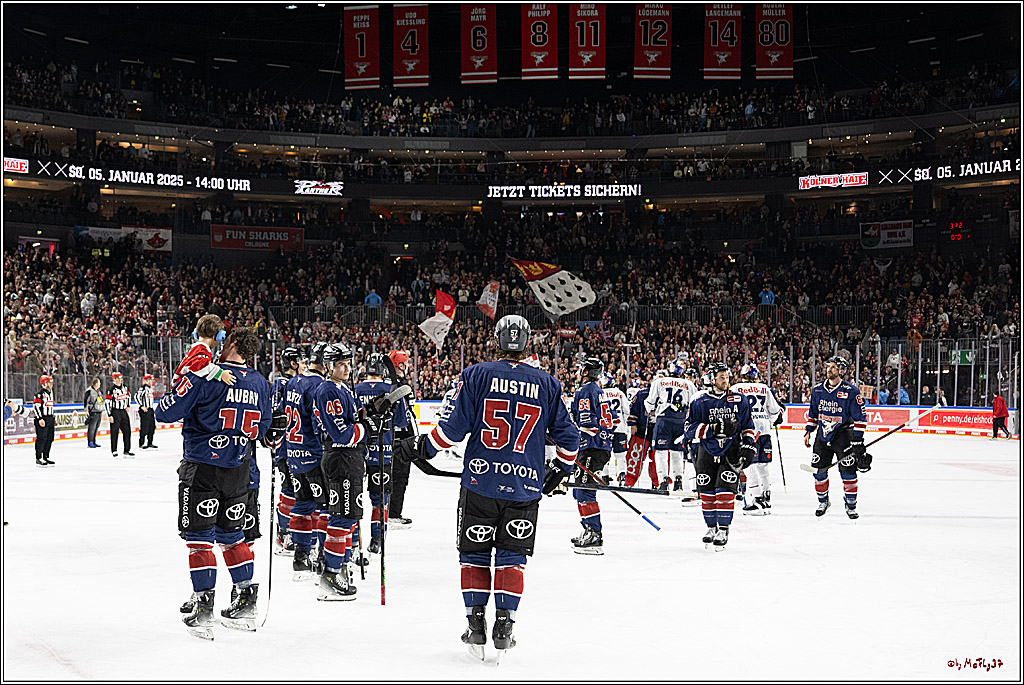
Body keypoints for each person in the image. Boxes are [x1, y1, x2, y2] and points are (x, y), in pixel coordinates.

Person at [394, 314, 580, 660]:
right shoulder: (548, 383)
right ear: (528, 343)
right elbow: (570, 438)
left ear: (496, 340)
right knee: (512, 557)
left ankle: (476, 623)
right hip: (525, 486)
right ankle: (505, 624)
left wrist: (418, 449)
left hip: (481, 483)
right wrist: (561, 467)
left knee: (475, 554)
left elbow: (449, 432)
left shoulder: (476, 374)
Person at [156, 326, 272, 640]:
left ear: (232, 343)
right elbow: (264, 431)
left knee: (199, 538)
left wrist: (184, 379)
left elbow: (166, 412)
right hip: (241, 470)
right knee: (233, 536)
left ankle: (203, 606)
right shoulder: (261, 383)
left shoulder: (208, 375)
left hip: (203, 468)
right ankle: (245, 602)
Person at [313, 342, 383, 600]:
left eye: (348, 363)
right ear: (329, 365)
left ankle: (337, 568)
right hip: (341, 457)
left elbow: (352, 419)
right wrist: (368, 428)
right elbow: (341, 433)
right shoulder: (328, 390)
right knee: (342, 519)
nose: (346, 368)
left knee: (348, 516)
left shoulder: (341, 389)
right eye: (340, 364)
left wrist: (370, 412)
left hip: (349, 458)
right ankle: (330, 576)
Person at [683, 362, 756, 550]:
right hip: (706, 451)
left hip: (731, 450)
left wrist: (749, 445)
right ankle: (710, 527)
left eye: (727, 377)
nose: (726, 380)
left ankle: (723, 529)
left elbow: (748, 425)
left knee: (724, 490)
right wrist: (712, 429)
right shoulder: (699, 401)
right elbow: (688, 429)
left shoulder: (740, 400)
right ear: (712, 379)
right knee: (706, 492)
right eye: (721, 377)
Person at [354, 353, 410, 556]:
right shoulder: (392, 390)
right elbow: (402, 423)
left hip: (358, 452)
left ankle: (352, 543)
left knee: (354, 498)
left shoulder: (354, 390)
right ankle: (377, 539)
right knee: (380, 500)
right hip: (383, 452)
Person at [283, 342, 329, 580]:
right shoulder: (320, 386)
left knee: (301, 504)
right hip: (314, 454)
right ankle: (323, 555)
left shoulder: (293, 382)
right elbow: (320, 423)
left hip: (293, 453)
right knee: (325, 506)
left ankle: (300, 556)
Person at [803, 355, 870, 519]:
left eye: (833, 367)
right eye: (828, 367)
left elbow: (860, 418)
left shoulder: (852, 392)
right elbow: (813, 413)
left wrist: (858, 440)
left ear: (841, 370)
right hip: (822, 436)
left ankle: (851, 505)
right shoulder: (817, 390)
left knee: (848, 472)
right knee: (818, 472)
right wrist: (808, 431)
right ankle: (823, 501)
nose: (829, 369)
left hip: (843, 437)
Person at [569, 357, 614, 555]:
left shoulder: (585, 390)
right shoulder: (597, 390)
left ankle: (595, 533)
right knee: (579, 491)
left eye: (581, 369)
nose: (578, 373)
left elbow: (588, 424)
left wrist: (575, 440)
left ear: (587, 372)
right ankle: (588, 527)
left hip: (592, 446)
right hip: (598, 446)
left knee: (585, 490)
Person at [730, 363, 785, 515]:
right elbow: (775, 412)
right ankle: (766, 496)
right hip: (764, 430)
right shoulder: (764, 388)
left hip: (748, 430)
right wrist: (776, 419)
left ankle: (756, 498)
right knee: (763, 465)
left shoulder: (736, 388)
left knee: (749, 465)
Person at [645, 361, 698, 495]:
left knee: (661, 452)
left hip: (663, 419)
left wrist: (652, 411)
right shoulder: (688, 384)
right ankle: (678, 481)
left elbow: (650, 402)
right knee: (677, 452)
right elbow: (695, 402)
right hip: (680, 420)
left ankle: (663, 482)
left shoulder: (660, 382)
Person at [271, 347, 305, 554]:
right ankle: (283, 532)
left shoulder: (287, 383)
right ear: (292, 364)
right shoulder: (282, 384)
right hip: (286, 448)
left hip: (294, 447)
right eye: (301, 361)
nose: (304, 365)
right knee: (289, 489)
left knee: (296, 490)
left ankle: (289, 530)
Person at [386, 350, 416, 528]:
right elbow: (403, 417)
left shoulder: (393, 383)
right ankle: (393, 514)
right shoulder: (397, 385)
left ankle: (388, 513)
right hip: (399, 437)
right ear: (399, 365)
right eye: (405, 363)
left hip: (393, 437)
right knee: (399, 477)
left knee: (392, 477)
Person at [172, 314, 237, 388]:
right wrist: (220, 373)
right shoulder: (201, 349)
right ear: (217, 336)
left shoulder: (196, 348)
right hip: (182, 393)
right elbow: (199, 365)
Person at [7, 375, 56, 467]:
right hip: (42, 418)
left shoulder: (50, 394)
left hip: (50, 418)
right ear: (44, 383)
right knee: (42, 438)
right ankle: (39, 457)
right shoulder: (39, 395)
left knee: (50, 438)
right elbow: (36, 407)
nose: (51, 384)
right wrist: (40, 418)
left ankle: (46, 456)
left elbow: (50, 407)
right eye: (49, 382)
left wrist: (53, 417)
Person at [599, 372, 630, 485]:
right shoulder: (619, 393)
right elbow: (626, 411)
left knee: (604, 452)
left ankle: (605, 476)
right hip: (619, 427)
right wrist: (625, 424)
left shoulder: (600, 393)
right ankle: (622, 476)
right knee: (621, 454)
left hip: (605, 428)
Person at [105, 371, 134, 458]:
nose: (120, 380)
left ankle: (127, 450)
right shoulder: (111, 390)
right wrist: (109, 414)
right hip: (115, 411)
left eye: (121, 378)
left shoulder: (124, 388)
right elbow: (107, 403)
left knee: (127, 431)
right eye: (118, 378)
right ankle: (114, 450)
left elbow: (129, 396)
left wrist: (128, 405)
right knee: (114, 432)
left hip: (123, 411)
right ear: (114, 380)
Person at [136, 374, 157, 449]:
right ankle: (142, 443)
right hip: (145, 410)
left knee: (152, 426)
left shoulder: (150, 389)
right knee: (145, 427)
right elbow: (137, 396)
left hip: (150, 409)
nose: (152, 382)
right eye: (151, 380)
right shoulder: (143, 388)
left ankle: (150, 442)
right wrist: (142, 406)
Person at [84, 378, 104, 448]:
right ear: (95, 384)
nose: (100, 384)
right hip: (93, 411)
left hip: (99, 410)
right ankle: (90, 441)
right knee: (92, 427)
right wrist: (86, 410)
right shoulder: (89, 391)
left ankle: (94, 441)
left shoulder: (98, 391)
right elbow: (86, 401)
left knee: (96, 427)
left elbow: (101, 400)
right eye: (99, 383)